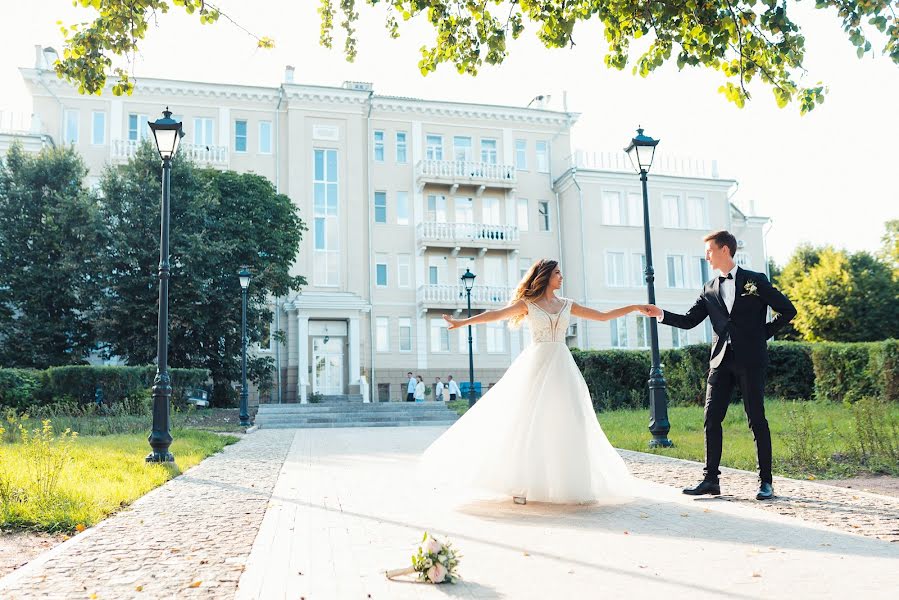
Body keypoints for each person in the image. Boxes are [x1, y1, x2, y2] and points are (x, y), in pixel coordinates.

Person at [421, 258, 655, 505]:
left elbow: (602, 316)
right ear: (545, 276)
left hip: (563, 367)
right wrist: (462, 322)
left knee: (569, 421)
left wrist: (634, 307)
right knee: (528, 422)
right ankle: (520, 485)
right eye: (557, 273)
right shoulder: (528, 304)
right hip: (536, 365)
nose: (561, 277)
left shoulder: (567, 305)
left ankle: (572, 485)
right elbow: (495, 315)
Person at [644, 230, 796, 501]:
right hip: (720, 362)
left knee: (756, 419)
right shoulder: (709, 288)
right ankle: (710, 479)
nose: (706, 256)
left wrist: (762, 333)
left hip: (750, 360)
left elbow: (788, 310)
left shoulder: (755, 281)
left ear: (724, 250)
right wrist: (661, 314)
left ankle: (766, 482)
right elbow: (690, 320)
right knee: (711, 419)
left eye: (710, 250)